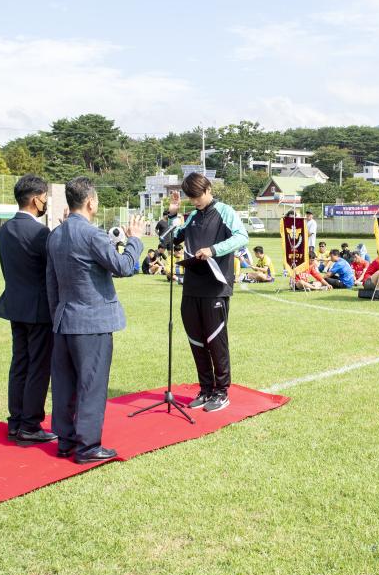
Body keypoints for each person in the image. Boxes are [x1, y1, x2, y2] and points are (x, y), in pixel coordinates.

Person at [47, 178, 144, 463]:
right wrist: (135, 239)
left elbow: (51, 282)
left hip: (65, 319)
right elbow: (124, 267)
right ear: (91, 202)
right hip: (93, 321)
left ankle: (65, 441)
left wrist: (57, 316)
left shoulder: (56, 234)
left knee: (64, 384)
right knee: (92, 383)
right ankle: (87, 446)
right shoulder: (92, 235)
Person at [164, 173, 249, 412]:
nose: (196, 201)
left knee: (216, 342)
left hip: (216, 287)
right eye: (191, 198)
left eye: (198, 196)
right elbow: (172, 240)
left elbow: (242, 237)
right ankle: (206, 389)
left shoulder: (225, 211)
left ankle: (222, 392)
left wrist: (213, 249)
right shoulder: (191, 216)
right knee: (197, 341)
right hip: (191, 287)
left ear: (208, 189)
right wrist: (172, 214)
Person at [0, 175, 57, 444]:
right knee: (39, 367)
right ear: (35, 199)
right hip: (39, 309)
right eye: (44, 197)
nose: (45, 203)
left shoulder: (5, 230)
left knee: (19, 364)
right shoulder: (40, 233)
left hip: (15, 305)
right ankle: (30, 424)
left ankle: (16, 421)